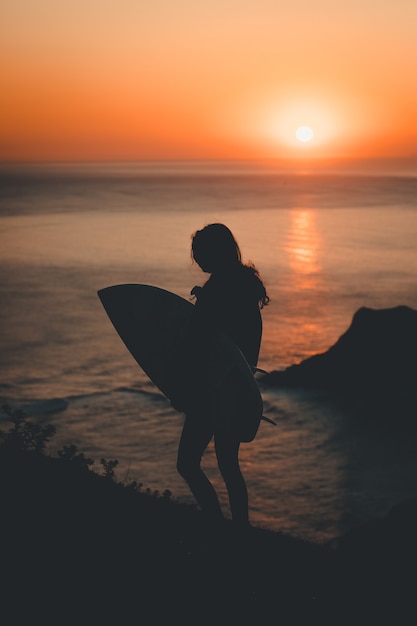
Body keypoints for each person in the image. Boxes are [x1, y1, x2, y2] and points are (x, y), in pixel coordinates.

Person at [176, 223, 269, 528]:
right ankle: (239, 531)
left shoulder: (219, 290)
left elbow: (198, 341)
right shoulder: (243, 284)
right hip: (237, 387)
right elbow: (241, 338)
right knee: (229, 465)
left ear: (216, 252)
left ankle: (216, 525)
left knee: (188, 463)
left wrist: (182, 386)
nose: (197, 259)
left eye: (200, 253)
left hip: (213, 390)